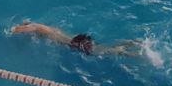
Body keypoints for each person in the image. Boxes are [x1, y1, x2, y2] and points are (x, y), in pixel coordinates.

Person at [10, 22, 143, 58]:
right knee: (103, 48)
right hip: (77, 40)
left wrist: (13, 30)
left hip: (75, 43)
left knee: (103, 51)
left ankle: (132, 53)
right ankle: (130, 43)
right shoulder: (45, 29)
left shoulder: (37, 27)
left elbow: (30, 28)